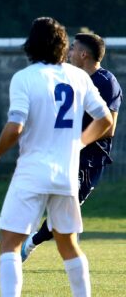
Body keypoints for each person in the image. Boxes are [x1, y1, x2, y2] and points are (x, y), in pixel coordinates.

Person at [0, 17, 113, 297]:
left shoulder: (25, 78)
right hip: (66, 174)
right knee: (68, 243)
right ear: (63, 46)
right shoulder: (78, 77)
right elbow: (105, 121)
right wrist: (78, 143)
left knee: (10, 243)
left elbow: (15, 126)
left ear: (31, 44)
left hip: (32, 172)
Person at [21, 32, 122, 262]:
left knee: (64, 213)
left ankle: (34, 241)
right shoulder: (69, 78)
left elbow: (109, 128)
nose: (69, 52)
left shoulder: (105, 83)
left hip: (88, 159)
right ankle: (52, 247)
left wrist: (78, 143)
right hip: (62, 156)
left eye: (73, 48)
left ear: (84, 54)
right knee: (63, 211)